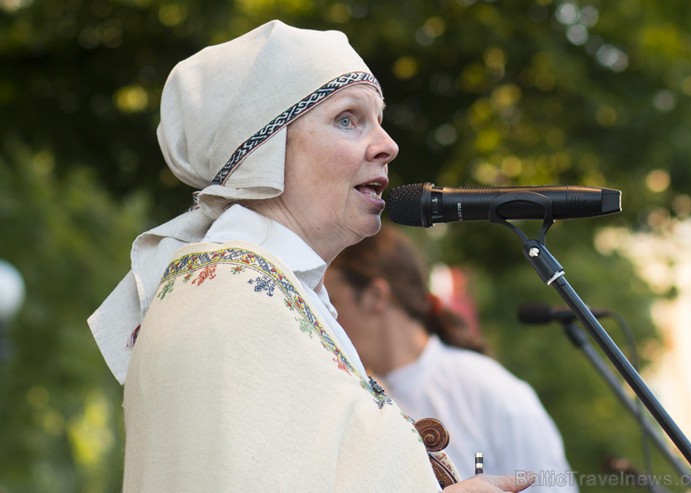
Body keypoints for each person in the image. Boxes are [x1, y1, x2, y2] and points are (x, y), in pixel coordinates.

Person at [87, 20, 535, 492]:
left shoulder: (255, 290)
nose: (388, 145)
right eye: (348, 119)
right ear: (265, 149)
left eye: (380, 120)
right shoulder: (234, 297)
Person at [325, 224, 578, 493]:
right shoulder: (348, 398)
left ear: (376, 296)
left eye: (334, 304)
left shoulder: (495, 394)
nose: (327, 320)